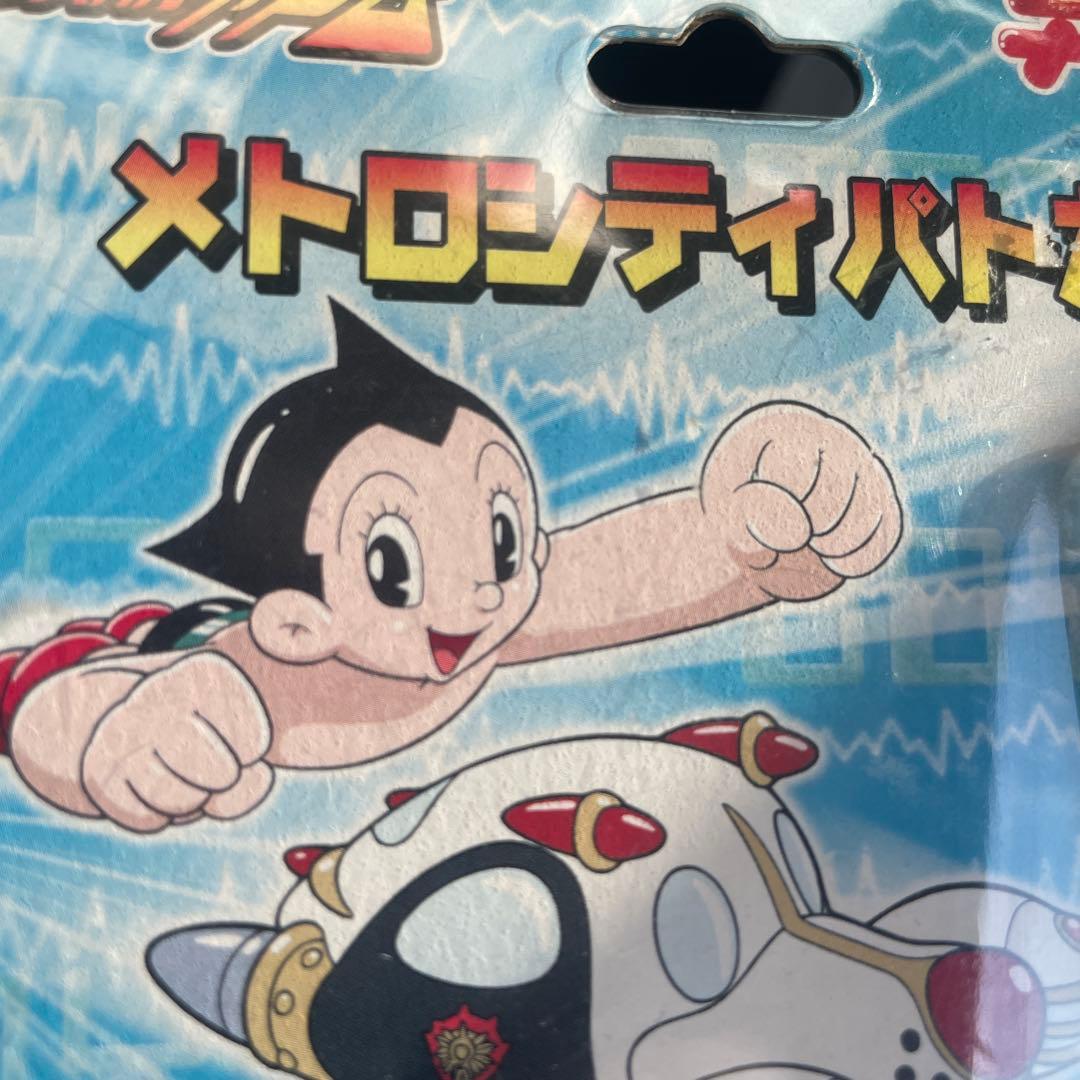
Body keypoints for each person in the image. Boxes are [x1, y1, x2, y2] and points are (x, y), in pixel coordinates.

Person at [2, 300, 902, 833]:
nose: (477, 588)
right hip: (133, 654)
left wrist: (761, 529)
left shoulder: (485, 608)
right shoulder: (259, 675)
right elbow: (57, 715)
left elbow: (624, 571)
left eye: (503, 537)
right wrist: (113, 746)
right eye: (393, 564)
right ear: (298, 621)